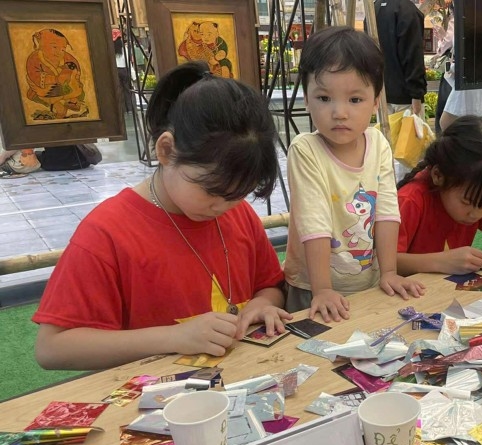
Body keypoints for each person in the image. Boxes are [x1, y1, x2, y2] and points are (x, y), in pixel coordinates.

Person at [32, 61, 290, 370]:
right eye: (211, 190)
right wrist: (173, 337)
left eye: (239, 194)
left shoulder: (238, 214)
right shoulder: (107, 232)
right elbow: (52, 348)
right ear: (166, 150)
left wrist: (263, 305)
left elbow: (270, 285)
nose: (223, 206)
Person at [284, 26, 425, 322]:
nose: (339, 112)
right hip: (311, 288)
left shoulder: (378, 143)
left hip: (367, 285)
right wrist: (322, 289)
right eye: (324, 98)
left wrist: (389, 272)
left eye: (355, 100)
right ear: (306, 98)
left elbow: (386, 212)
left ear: (375, 101)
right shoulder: (305, 149)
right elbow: (314, 223)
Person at [395, 115, 482, 275]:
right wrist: (440, 262)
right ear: (438, 175)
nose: (476, 214)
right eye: (467, 202)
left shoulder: (479, 193)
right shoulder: (410, 200)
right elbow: (383, 262)